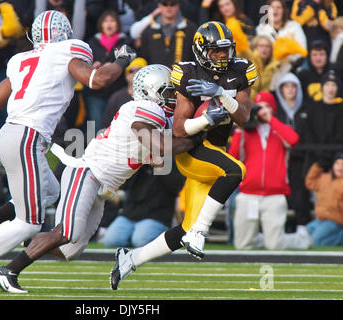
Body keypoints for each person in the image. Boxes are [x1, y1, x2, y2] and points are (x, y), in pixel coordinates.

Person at [0, 10, 137, 298]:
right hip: (27, 139)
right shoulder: (70, 50)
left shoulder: (21, 60)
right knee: (30, 222)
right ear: (65, 33)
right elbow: (97, 80)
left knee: (50, 190)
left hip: (7, 135)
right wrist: (122, 60)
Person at [0, 64, 196, 294]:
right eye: (168, 91)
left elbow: (159, 157)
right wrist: (195, 138)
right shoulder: (145, 108)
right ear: (150, 92)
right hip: (87, 172)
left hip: (101, 184)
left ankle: (27, 238)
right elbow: (160, 146)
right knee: (67, 232)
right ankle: (8, 271)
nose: (173, 97)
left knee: (69, 250)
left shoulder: (157, 116)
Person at [109, 21, 256, 290]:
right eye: (215, 51)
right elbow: (178, 129)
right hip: (194, 150)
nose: (223, 56)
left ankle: (129, 259)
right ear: (201, 51)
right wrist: (206, 120)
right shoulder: (187, 73)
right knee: (236, 171)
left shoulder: (241, 70)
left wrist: (223, 94)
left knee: (185, 230)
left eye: (225, 50)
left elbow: (244, 117)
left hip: (216, 152)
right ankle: (200, 232)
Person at [228, 91, 312, 250]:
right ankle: (263, 237)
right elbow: (233, 157)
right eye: (259, 107)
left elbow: (293, 140)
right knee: (242, 245)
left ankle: (300, 240)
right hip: (248, 193)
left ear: (272, 108)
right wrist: (239, 129)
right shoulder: (247, 131)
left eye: (266, 106)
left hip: (275, 194)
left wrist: (270, 119)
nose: (262, 110)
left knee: (274, 246)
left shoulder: (279, 128)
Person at [102, 162, 185, 248]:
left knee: (140, 240)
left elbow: (176, 188)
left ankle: (158, 235)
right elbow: (125, 185)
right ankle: (133, 235)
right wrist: (137, 164)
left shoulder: (169, 159)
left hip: (157, 215)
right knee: (111, 241)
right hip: (130, 213)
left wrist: (160, 167)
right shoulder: (139, 158)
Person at [274, 72, 314, 227]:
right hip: (279, 158)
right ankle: (281, 227)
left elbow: (309, 134)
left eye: (293, 86)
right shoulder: (276, 111)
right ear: (281, 89)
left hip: (300, 159)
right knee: (280, 193)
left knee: (301, 193)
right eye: (286, 86)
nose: (290, 90)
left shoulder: (306, 110)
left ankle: (301, 226)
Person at [83, 9, 132, 133]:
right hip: (96, 93)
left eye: (112, 21)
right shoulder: (92, 42)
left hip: (117, 90)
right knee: (97, 126)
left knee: (117, 126)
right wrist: (92, 66)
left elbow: (131, 63)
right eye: (106, 21)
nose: (109, 24)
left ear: (118, 24)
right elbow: (83, 64)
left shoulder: (125, 42)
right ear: (101, 24)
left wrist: (115, 66)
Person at [137, 0, 197, 67]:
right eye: (164, 4)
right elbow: (142, 57)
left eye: (172, 4)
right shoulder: (148, 30)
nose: (168, 7)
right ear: (159, 6)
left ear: (178, 5)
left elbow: (195, 57)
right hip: (155, 75)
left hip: (184, 75)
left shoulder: (191, 28)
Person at [305, 151, 343, 246]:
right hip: (320, 219)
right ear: (333, 165)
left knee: (315, 241)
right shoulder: (325, 178)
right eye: (337, 163)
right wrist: (318, 166)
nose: (340, 167)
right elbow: (310, 182)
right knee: (304, 235)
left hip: (335, 222)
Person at [256, 0, 308, 66]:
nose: (275, 10)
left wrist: (287, 59)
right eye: (272, 7)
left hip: (291, 67)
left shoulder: (294, 26)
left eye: (278, 7)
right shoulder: (261, 29)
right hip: (267, 67)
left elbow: (302, 50)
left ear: (284, 11)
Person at [100, 56, 147, 129]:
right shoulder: (116, 98)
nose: (135, 73)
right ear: (126, 76)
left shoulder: (152, 97)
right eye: (131, 71)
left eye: (139, 70)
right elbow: (106, 124)